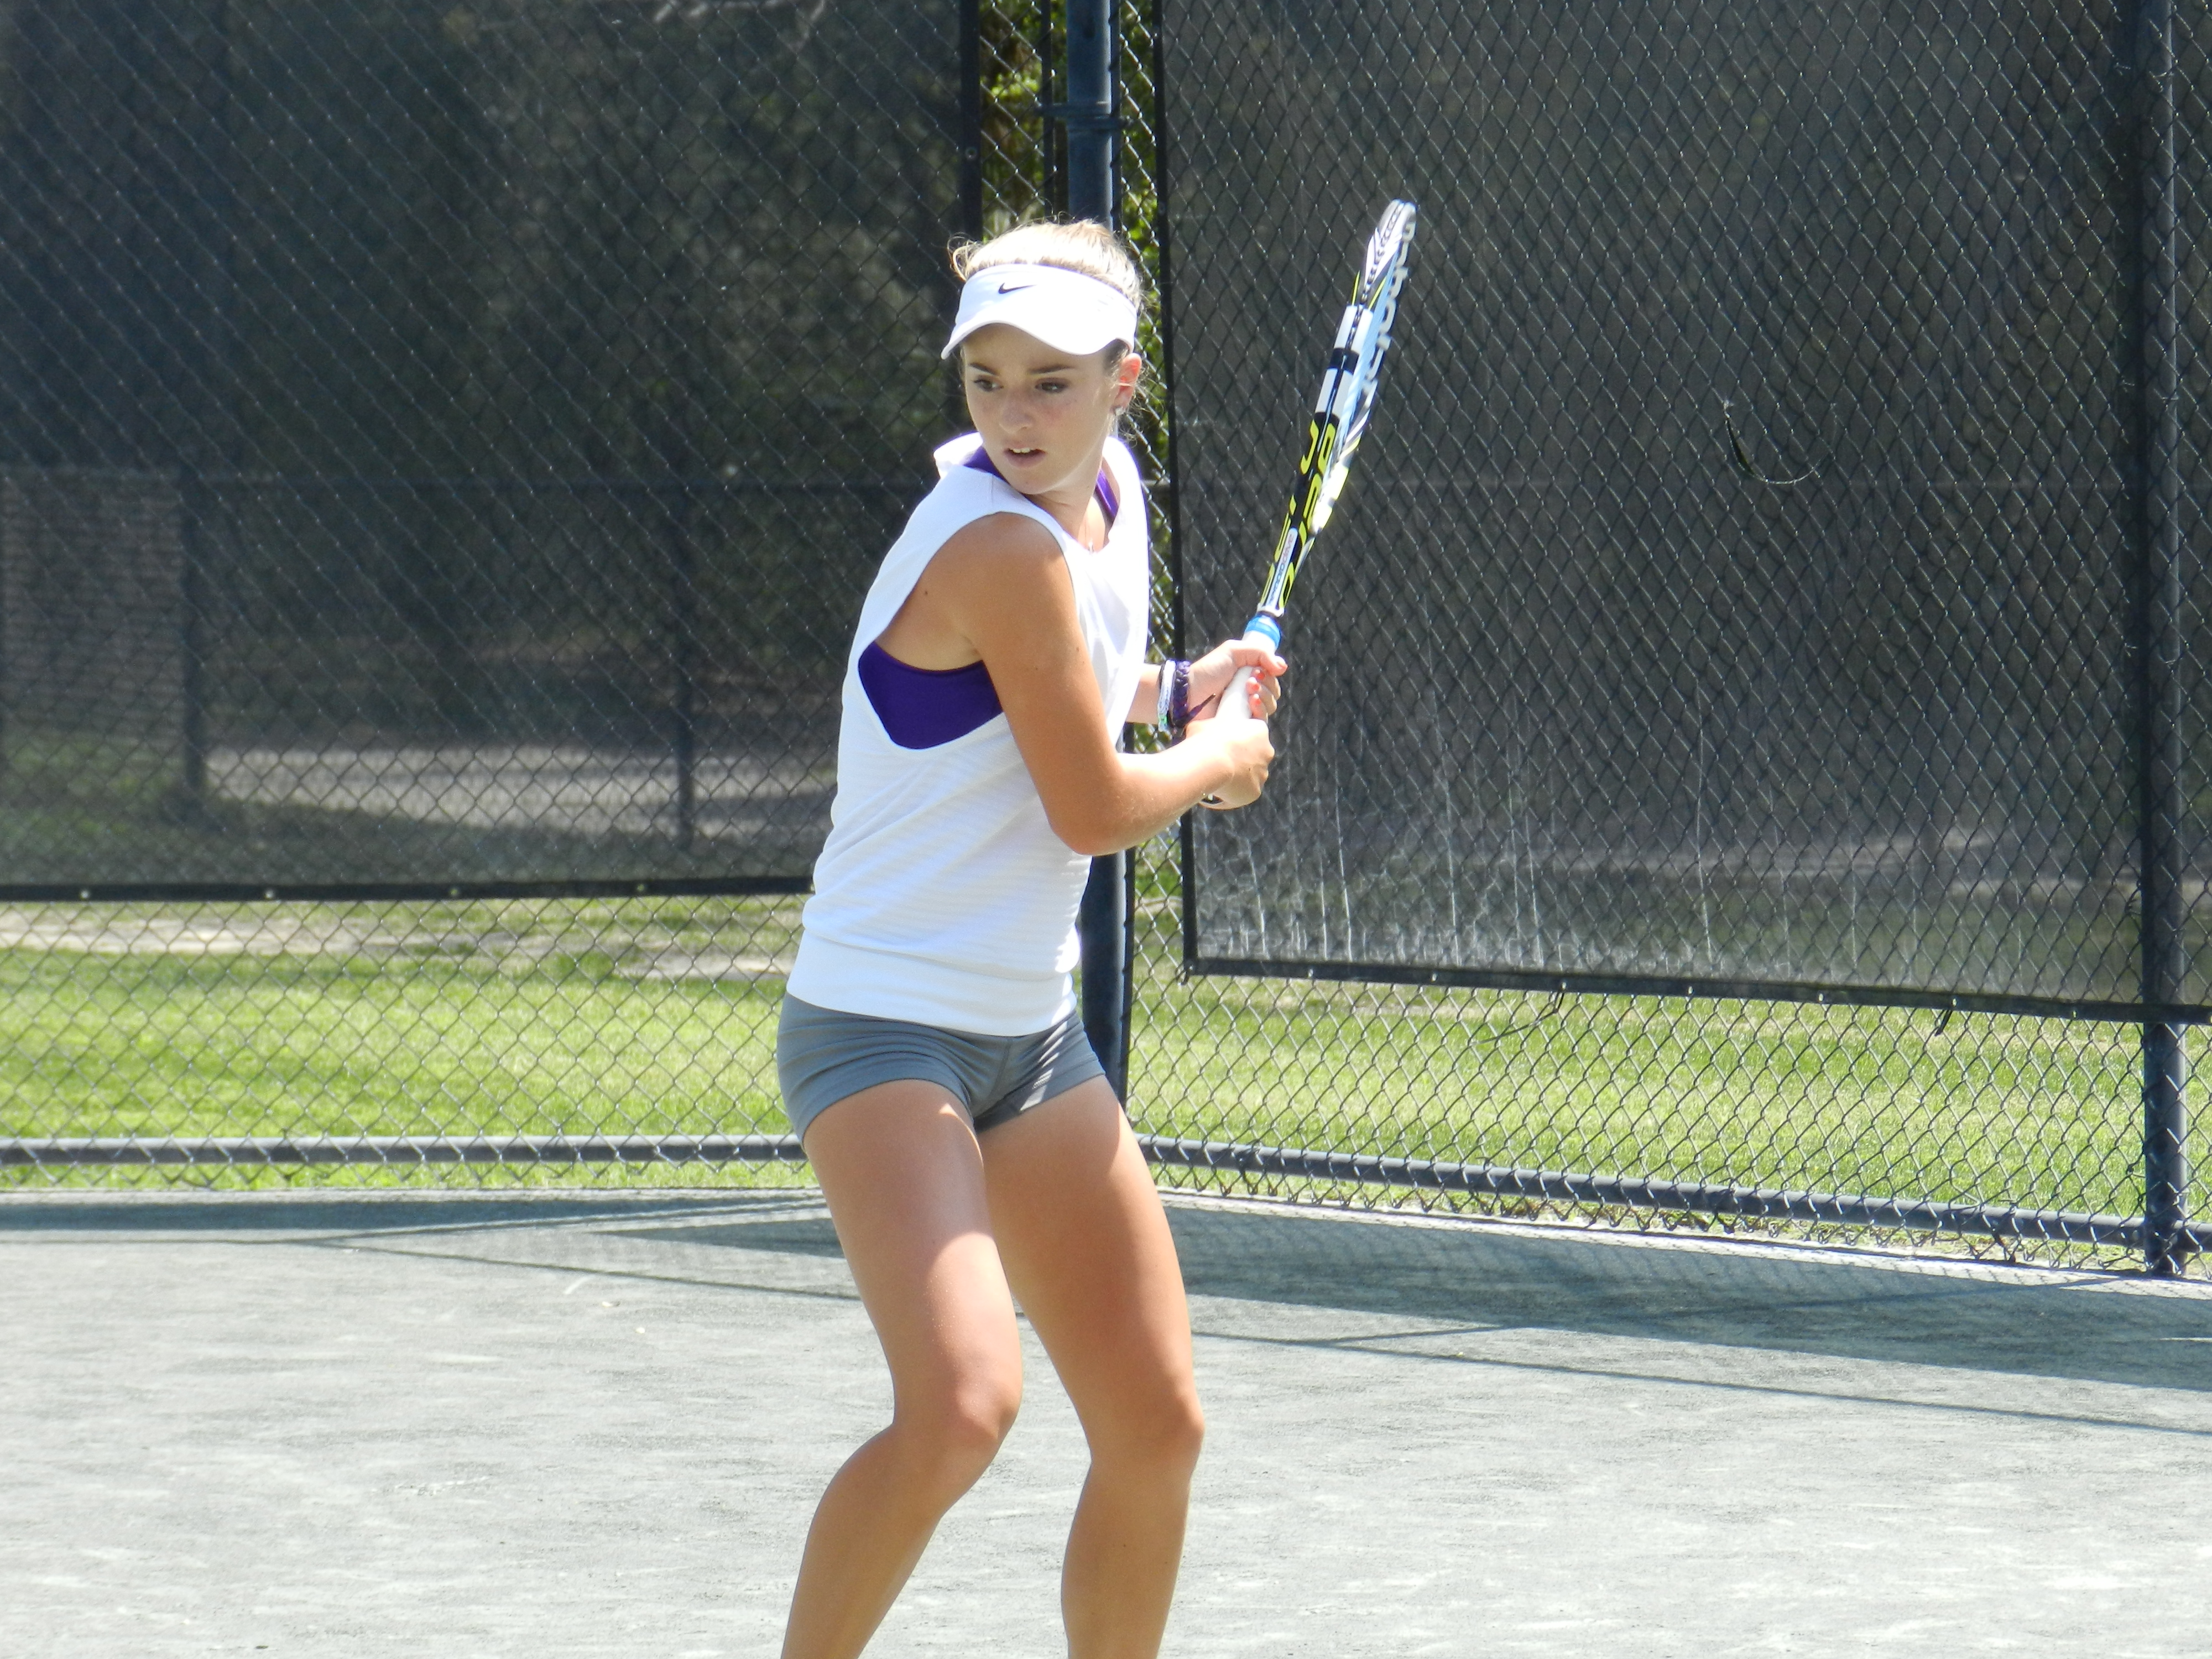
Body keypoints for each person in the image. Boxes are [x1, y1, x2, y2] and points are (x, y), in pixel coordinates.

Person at [774, 218, 1285, 1659]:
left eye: (1051, 382)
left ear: (1125, 384)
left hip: (1032, 1040)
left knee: (1158, 1424)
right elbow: (1094, 807)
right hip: (881, 1027)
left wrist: (1177, 687)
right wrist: (1215, 758)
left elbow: (1066, 679)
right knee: (961, 1406)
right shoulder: (995, 536)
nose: (1014, 415)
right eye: (986, 380)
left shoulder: (1105, 489)